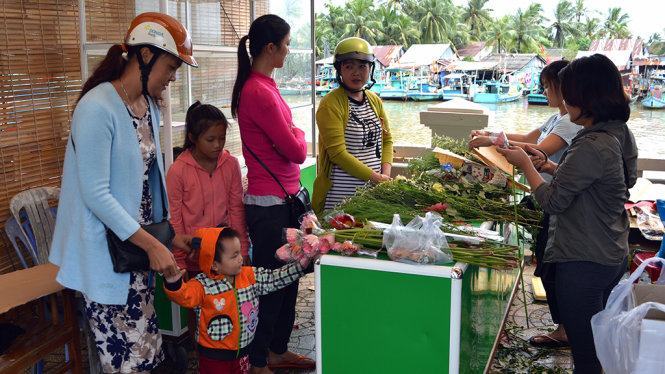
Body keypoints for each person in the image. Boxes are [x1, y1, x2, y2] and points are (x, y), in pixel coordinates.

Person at [48, 12, 197, 373]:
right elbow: (97, 194)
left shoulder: (147, 107)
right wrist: (152, 244)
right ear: (145, 56)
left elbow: (147, 183)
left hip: (134, 255)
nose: (173, 77)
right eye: (171, 66)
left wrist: (168, 235)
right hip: (108, 258)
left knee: (147, 352)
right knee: (130, 363)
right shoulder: (96, 108)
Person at [497, 53, 637, 373]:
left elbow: (552, 201)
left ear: (584, 96)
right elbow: (607, 183)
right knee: (596, 343)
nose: (565, 99)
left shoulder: (591, 144)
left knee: (586, 356)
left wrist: (525, 165)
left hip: (584, 259)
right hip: (612, 250)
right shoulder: (619, 132)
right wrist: (549, 165)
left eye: (569, 91)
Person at [470, 60, 583, 348]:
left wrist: (492, 142)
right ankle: (565, 327)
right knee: (545, 260)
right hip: (547, 194)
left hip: (556, 198)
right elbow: (528, 138)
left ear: (562, 86)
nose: (544, 92)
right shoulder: (557, 118)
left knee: (550, 263)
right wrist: (492, 135)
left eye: (547, 86)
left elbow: (537, 151)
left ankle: (567, 330)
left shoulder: (570, 122)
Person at [231, 14, 313, 373]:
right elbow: (297, 149)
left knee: (290, 277)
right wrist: (297, 135)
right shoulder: (256, 91)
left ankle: (278, 349)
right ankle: (260, 358)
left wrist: (295, 135)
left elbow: (293, 138)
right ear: (270, 47)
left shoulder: (266, 85)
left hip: (285, 201)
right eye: (287, 43)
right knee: (272, 284)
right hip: (270, 207)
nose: (289, 49)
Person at [163, 227, 312, 374]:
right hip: (214, 358)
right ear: (214, 264)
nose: (241, 258)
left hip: (243, 352)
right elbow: (184, 296)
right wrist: (174, 282)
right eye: (234, 256)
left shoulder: (248, 276)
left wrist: (301, 266)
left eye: (239, 252)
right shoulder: (201, 285)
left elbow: (274, 278)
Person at [312, 37, 394, 213]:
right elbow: (337, 154)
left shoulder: (374, 101)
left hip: (372, 194)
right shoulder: (331, 104)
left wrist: (385, 176)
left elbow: (387, 140)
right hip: (340, 198)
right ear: (340, 70)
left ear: (370, 69)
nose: (356, 73)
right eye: (349, 66)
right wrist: (375, 178)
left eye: (362, 66)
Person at [167, 101, 250, 273]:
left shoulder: (231, 164)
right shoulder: (178, 171)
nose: (217, 145)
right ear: (192, 138)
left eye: (222, 138)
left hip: (225, 258)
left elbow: (236, 210)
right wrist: (180, 262)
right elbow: (174, 219)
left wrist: (242, 250)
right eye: (210, 139)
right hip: (193, 258)